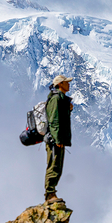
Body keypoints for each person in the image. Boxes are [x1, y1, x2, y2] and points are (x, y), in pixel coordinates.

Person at [45, 74, 73, 204]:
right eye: (66, 82)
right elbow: (54, 120)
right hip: (55, 140)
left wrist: (68, 109)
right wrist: (58, 139)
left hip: (58, 138)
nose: (68, 84)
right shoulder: (56, 99)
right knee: (54, 165)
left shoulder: (60, 99)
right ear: (60, 84)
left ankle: (52, 192)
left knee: (57, 166)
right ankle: (50, 194)